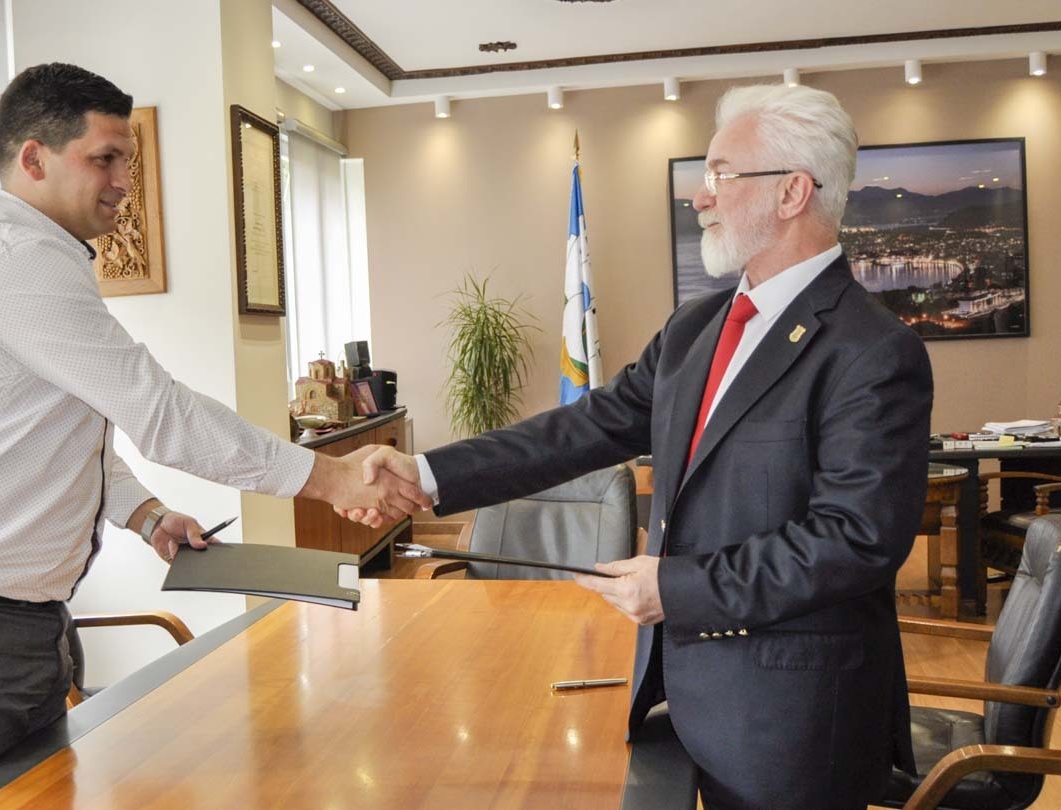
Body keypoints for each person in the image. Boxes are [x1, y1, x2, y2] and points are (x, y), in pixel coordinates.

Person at [0, 62, 426, 809]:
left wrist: (144, 514)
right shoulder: (18, 264)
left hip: (2, 620)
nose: (123, 183)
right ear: (34, 159)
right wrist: (333, 479)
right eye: (104, 159)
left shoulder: (39, 259)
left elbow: (61, 436)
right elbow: (163, 414)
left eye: (127, 161)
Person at [348, 84, 932, 809]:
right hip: (681, 696)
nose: (701, 196)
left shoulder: (873, 351)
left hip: (794, 719)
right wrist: (426, 473)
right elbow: (582, 429)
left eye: (721, 174)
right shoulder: (695, 329)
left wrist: (674, 589)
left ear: (792, 192)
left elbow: (854, 540)